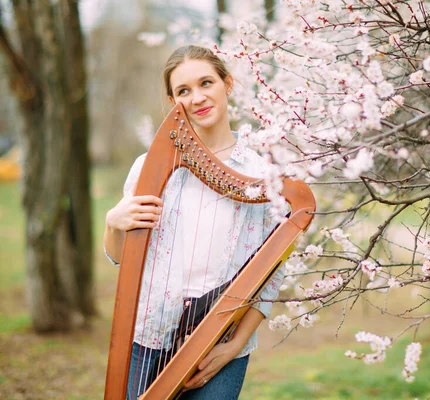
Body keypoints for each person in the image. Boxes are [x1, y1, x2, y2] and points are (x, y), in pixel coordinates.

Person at [104, 45, 284, 400]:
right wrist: (113, 223)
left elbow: (272, 272)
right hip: (147, 334)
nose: (197, 97)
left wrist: (234, 346)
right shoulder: (149, 167)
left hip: (220, 337)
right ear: (173, 101)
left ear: (227, 84)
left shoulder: (264, 175)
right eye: (183, 91)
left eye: (206, 83)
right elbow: (122, 257)